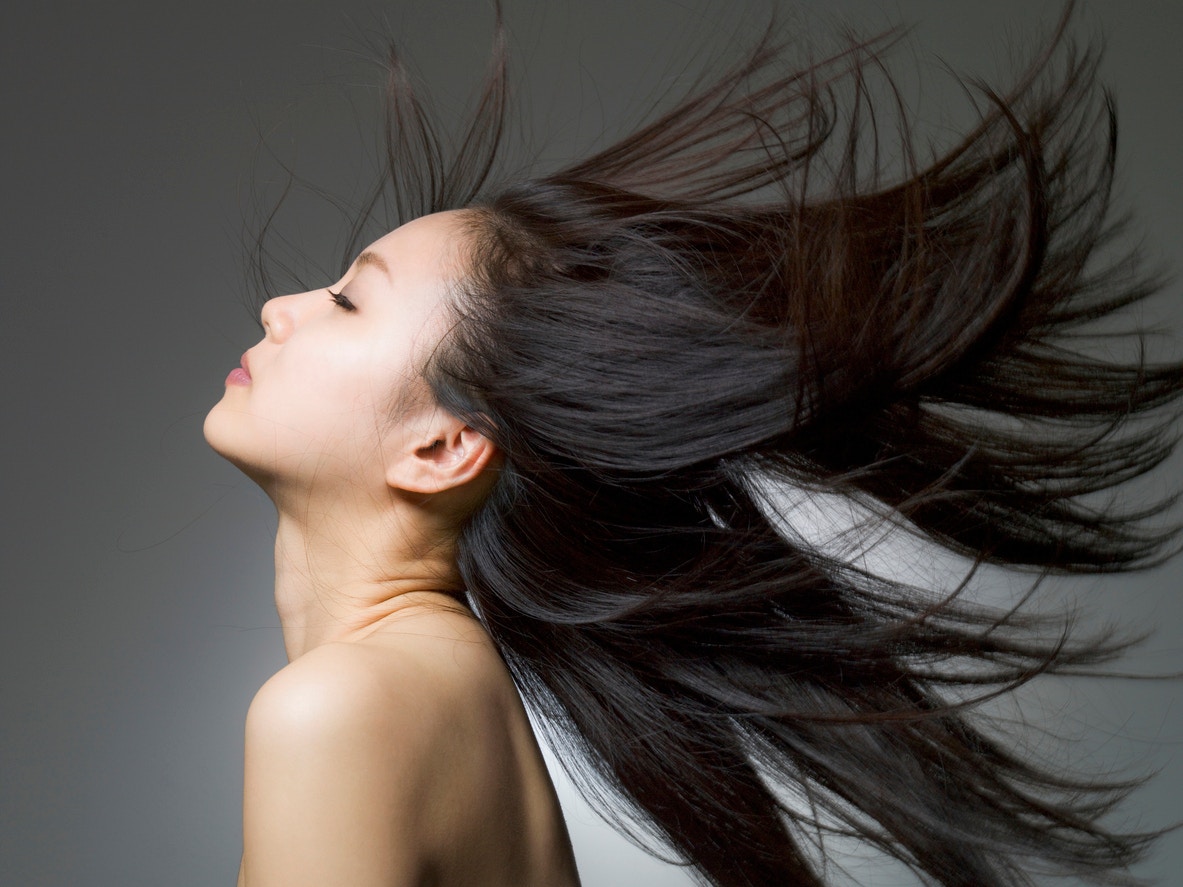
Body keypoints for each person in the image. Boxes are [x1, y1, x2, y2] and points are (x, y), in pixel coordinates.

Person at [205, 8, 1183, 886]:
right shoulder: (440, 688)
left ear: (444, 445)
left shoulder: (337, 709)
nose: (280, 308)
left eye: (347, 300)